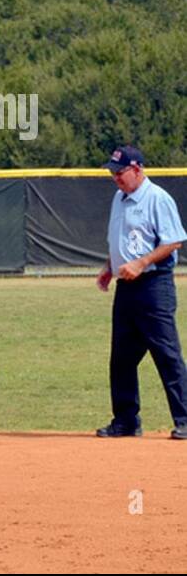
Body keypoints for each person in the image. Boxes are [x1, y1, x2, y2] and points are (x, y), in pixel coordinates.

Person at [96, 145, 187, 440]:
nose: (115, 178)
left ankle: (185, 419)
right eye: (113, 173)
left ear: (137, 169)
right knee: (121, 358)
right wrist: (111, 266)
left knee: (167, 354)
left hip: (153, 286)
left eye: (119, 172)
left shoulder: (157, 198)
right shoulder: (118, 199)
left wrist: (142, 262)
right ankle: (125, 420)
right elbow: (121, 239)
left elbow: (173, 242)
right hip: (126, 288)